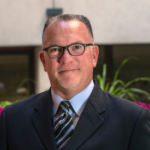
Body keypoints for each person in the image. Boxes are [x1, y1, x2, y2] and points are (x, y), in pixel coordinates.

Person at [0, 14, 150, 150]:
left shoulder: (132, 120)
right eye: (55, 49)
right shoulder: (12, 119)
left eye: (77, 47)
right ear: (43, 61)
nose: (66, 58)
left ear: (94, 56)